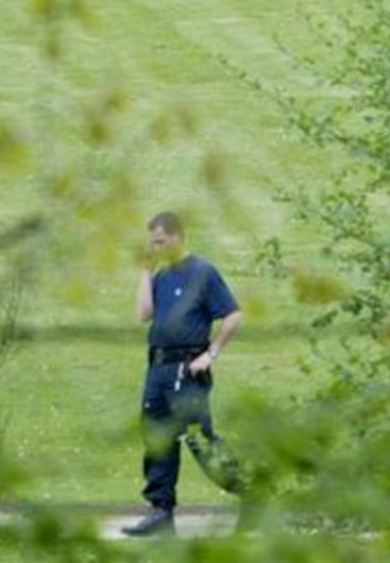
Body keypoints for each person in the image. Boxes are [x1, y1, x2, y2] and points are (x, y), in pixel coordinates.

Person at [121, 212, 247, 538]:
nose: (156, 248)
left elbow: (233, 315)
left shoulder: (202, 273)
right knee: (157, 439)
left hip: (187, 370)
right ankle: (160, 512)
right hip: (158, 369)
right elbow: (143, 314)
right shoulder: (162, 276)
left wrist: (211, 353)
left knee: (200, 441)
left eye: (160, 241)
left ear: (178, 236)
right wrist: (145, 272)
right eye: (152, 243)